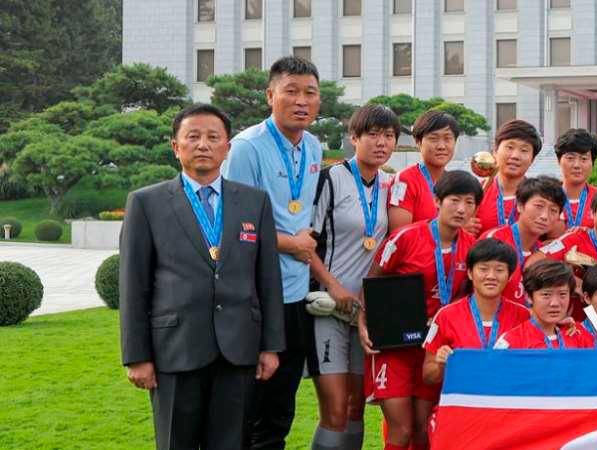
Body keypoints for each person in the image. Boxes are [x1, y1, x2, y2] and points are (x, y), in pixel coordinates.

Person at [120, 104, 284, 450]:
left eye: (213, 137)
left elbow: (268, 279)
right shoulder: (146, 203)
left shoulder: (254, 202)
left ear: (227, 147)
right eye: (192, 137)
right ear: (176, 146)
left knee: (231, 443)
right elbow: (134, 286)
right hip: (174, 350)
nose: (203, 145)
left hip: (238, 349)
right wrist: (137, 355)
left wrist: (270, 345)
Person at [221, 56, 324, 449]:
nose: (301, 101)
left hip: (295, 294)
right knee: (251, 404)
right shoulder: (247, 147)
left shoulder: (313, 146)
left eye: (310, 93)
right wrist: (291, 243)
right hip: (256, 294)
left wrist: (303, 239)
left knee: (282, 405)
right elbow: (233, 221)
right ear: (270, 95)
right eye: (291, 91)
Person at [360, 170, 482, 450]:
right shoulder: (405, 237)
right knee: (400, 430)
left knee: (424, 431)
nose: (462, 209)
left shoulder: (473, 249)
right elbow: (372, 282)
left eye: (470, 202)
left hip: (434, 349)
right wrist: (363, 322)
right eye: (454, 200)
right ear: (437, 201)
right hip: (395, 344)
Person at [305, 104, 398, 450]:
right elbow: (305, 244)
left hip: (365, 313)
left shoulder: (392, 184)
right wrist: (334, 287)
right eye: (372, 134)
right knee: (334, 409)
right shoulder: (330, 179)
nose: (381, 142)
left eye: (388, 136)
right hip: (328, 307)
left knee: (357, 407)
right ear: (353, 137)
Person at [421, 239, 534, 384]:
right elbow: (428, 377)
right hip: (464, 402)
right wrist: (441, 365)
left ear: (510, 276)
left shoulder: (523, 316)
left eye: (499, 270)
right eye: (483, 269)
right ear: (469, 273)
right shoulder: (446, 315)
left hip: (507, 400)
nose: (491, 276)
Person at [537, 184, 597, 322]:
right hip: (565, 328)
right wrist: (573, 282)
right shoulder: (573, 239)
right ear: (592, 213)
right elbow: (532, 264)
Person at [479, 176, 566, 305]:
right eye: (539, 206)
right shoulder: (494, 240)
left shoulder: (544, 253)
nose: (544, 216)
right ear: (520, 206)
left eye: (553, 210)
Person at [494, 260, 596, 349]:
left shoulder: (578, 335)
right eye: (546, 294)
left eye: (562, 294)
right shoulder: (512, 341)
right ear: (528, 297)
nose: (555, 303)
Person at [388, 110, 462, 233]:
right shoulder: (404, 181)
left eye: (448, 139)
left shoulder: (455, 184)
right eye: (433, 139)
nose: (441, 146)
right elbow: (400, 235)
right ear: (418, 142)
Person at [476, 119, 543, 233]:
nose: (515, 156)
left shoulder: (542, 196)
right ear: (495, 151)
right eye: (509, 147)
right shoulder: (475, 193)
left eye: (524, 150)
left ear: (532, 159)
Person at [552, 128, 597, 236]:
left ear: (593, 162)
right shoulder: (547, 197)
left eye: (584, 159)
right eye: (570, 158)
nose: (577, 165)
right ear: (558, 160)